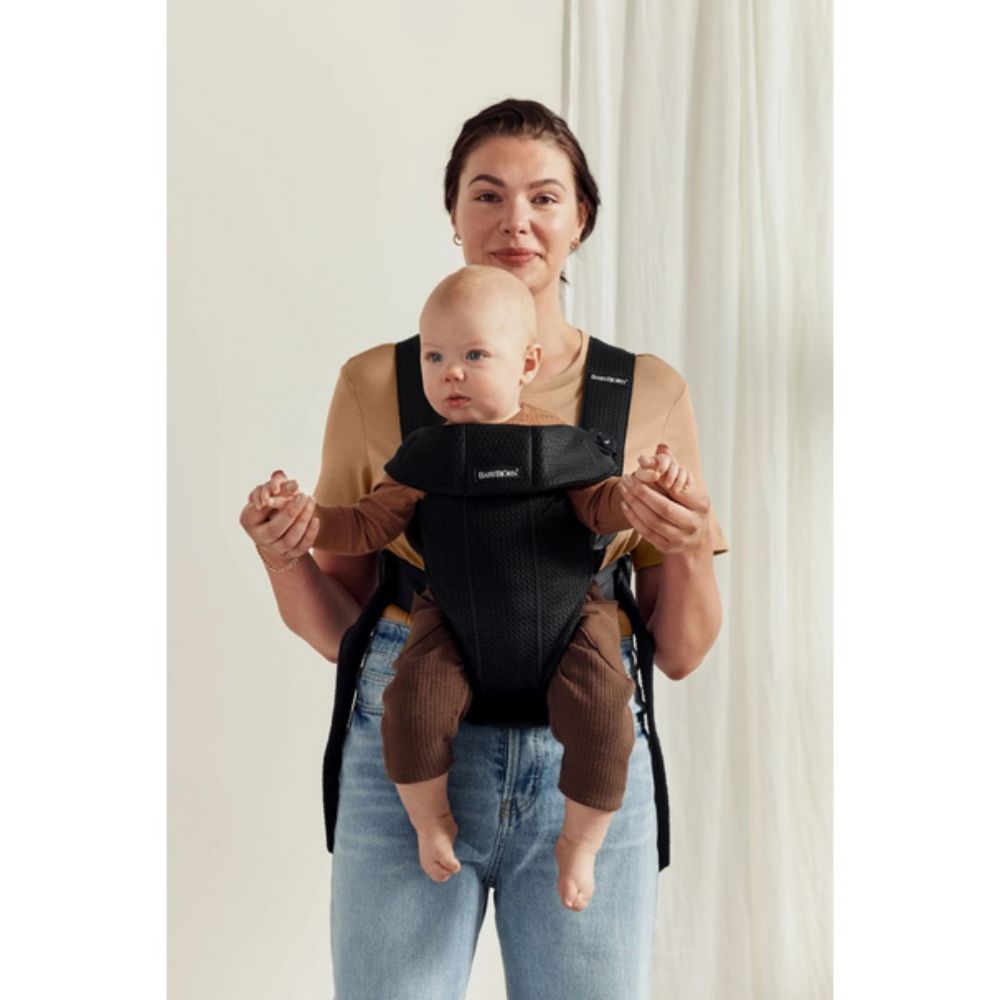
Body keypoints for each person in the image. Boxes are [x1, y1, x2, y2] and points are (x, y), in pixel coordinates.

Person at [240, 99, 727, 1000]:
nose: (516, 221)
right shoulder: (381, 384)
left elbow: (686, 650)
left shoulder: (644, 392)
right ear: (453, 213)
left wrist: (687, 542)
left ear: (581, 216)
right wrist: (284, 552)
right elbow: (340, 623)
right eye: (487, 194)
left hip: (588, 744)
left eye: (545, 197)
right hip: (411, 739)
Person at [258, 264, 696, 912]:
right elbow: (367, 524)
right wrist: (304, 521)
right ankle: (431, 818)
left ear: (526, 363)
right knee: (410, 707)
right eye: (434, 356)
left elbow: (601, 507)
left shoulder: (562, 443)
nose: (450, 371)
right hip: (449, 619)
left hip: (571, 621)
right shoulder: (423, 455)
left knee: (607, 717)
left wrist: (640, 495)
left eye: (473, 355)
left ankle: (580, 839)